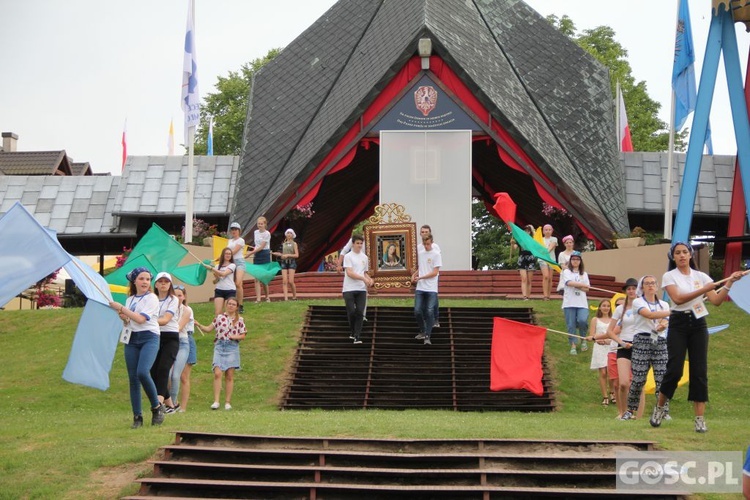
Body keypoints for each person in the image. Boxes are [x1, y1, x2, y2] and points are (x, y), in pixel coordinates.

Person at [650, 242, 744, 432]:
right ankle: (660, 408)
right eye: (678, 253)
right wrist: (704, 289)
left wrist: (729, 283)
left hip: (698, 323)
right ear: (673, 257)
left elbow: (716, 301)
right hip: (678, 323)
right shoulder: (669, 276)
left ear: (690, 255)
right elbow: (678, 299)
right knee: (674, 370)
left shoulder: (701, 276)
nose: (682, 255)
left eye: (685, 252)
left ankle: (699, 419)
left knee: (699, 372)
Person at [108, 267, 165, 428]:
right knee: (133, 378)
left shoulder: (152, 298)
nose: (145, 282)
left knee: (142, 372)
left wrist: (121, 308)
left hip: (149, 337)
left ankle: (156, 407)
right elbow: (131, 321)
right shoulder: (130, 299)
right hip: (132, 338)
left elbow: (141, 319)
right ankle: (137, 417)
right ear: (134, 281)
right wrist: (124, 318)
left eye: (147, 279)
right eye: (141, 279)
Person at [623, 275, 671, 423]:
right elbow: (649, 314)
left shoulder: (664, 304)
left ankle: (663, 410)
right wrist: (673, 312)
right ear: (642, 287)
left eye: (653, 283)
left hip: (660, 341)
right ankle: (630, 410)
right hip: (642, 340)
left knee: (662, 378)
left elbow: (665, 320)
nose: (650, 286)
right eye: (647, 283)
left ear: (657, 286)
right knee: (638, 379)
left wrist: (663, 324)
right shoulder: (638, 302)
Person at [195, 297, 246, 410]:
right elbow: (209, 329)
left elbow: (243, 335)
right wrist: (199, 325)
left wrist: (234, 336)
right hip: (219, 346)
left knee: (229, 375)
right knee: (217, 373)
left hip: (232, 347)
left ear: (237, 307)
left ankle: (227, 402)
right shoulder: (219, 318)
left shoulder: (240, 320)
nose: (231, 306)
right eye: (229, 304)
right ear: (225, 305)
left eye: (233, 304)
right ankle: (216, 401)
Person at [605, 278, 645, 420]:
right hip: (624, 346)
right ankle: (623, 413)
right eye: (629, 289)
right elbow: (610, 331)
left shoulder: (643, 306)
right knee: (623, 383)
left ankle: (639, 418)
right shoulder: (620, 309)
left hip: (640, 345)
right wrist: (621, 342)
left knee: (639, 383)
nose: (631, 291)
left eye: (634, 288)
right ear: (625, 291)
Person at [151, 272, 181, 413]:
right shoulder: (151, 299)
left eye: (166, 281)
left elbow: (166, 319)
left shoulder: (173, 299)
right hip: (155, 335)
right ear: (156, 284)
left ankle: (158, 404)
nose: (163, 284)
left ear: (170, 285)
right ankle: (171, 405)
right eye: (160, 281)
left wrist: (145, 320)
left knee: (164, 368)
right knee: (153, 371)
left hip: (170, 337)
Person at [341, 234, 373, 344]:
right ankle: (352, 331)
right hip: (349, 288)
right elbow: (349, 273)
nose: (359, 245)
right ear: (353, 244)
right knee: (351, 312)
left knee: (360, 311)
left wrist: (369, 279)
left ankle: (357, 336)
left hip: (361, 289)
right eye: (357, 243)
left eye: (361, 243)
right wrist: (363, 278)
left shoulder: (364, 257)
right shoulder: (348, 256)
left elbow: (364, 272)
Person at [412, 234, 442, 345]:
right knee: (417, 310)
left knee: (429, 311)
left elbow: (435, 272)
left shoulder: (436, 254)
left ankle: (428, 336)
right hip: (420, 287)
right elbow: (421, 267)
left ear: (432, 242)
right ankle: (423, 330)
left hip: (431, 288)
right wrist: (415, 275)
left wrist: (421, 277)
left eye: (428, 244)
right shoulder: (421, 253)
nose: (426, 246)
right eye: (424, 244)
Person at [168, 285, 194, 413]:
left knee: (176, 375)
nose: (177, 298)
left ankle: (173, 405)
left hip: (182, 342)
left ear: (183, 297)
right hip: (168, 342)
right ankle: (167, 403)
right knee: (165, 374)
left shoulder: (186, 310)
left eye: (180, 295)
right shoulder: (166, 309)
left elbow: (177, 327)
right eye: (175, 295)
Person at [561, 251, 589, 355]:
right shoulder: (567, 272)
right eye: (573, 259)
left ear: (580, 261)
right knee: (571, 324)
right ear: (570, 261)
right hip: (569, 303)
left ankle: (583, 339)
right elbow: (568, 283)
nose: (575, 261)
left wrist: (577, 286)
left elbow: (587, 289)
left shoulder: (584, 274)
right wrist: (581, 285)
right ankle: (573, 344)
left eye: (577, 259)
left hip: (582, 303)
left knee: (582, 321)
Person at [587, 299, 614, 406]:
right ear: (600, 307)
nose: (606, 308)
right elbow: (592, 335)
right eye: (604, 305)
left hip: (610, 348)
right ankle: (605, 396)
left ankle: (613, 392)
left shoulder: (613, 320)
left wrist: (608, 341)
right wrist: (597, 340)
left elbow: (615, 336)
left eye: (608, 306)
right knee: (603, 373)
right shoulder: (595, 319)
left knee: (611, 373)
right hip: (599, 348)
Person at [418, 225, 441, 327]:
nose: (424, 233)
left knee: (433, 297)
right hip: (421, 274)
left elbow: (435, 262)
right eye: (422, 232)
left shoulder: (435, 247)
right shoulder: (419, 247)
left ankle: (435, 318)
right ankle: (425, 318)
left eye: (426, 232)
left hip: (432, 275)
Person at [246, 216, 272, 302]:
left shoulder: (267, 233)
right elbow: (256, 245)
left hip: (264, 254)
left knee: (264, 277)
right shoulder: (255, 232)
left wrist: (250, 253)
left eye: (261, 224)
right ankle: (258, 298)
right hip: (257, 254)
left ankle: (267, 296)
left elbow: (262, 246)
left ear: (265, 224)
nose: (260, 225)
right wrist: (253, 251)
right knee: (256, 278)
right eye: (258, 224)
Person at [205, 247, 236, 317]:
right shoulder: (217, 266)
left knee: (228, 312)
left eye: (229, 254)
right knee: (218, 313)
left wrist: (211, 268)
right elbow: (216, 280)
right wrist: (215, 275)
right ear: (223, 255)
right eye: (226, 254)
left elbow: (224, 274)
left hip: (230, 290)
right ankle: (218, 326)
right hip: (219, 289)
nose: (228, 255)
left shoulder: (232, 265)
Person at [272, 228, 299, 301]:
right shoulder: (283, 244)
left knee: (290, 281)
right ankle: (286, 298)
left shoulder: (294, 244)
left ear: (293, 235)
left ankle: (294, 296)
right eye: (288, 233)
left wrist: (288, 255)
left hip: (291, 262)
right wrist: (274, 253)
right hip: (284, 262)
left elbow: (296, 255)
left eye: (290, 233)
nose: (289, 234)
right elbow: (281, 254)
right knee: (284, 281)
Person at [227, 222, 246, 313]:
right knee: (233, 284)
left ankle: (240, 305)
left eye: (235, 230)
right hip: (231, 262)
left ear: (239, 231)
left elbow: (234, 251)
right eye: (232, 230)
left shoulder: (241, 240)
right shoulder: (229, 241)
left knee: (238, 283)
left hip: (239, 262)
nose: (234, 231)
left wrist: (225, 255)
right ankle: (234, 304)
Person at [514, 224, 536, 300]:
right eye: (525, 230)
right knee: (524, 278)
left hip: (531, 258)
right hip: (522, 258)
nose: (527, 232)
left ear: (530, 232)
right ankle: (524, 296)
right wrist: (513, 243)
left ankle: (528, 296)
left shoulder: (533, 239)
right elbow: (515, 247)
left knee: (529, 280)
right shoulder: (520, 239)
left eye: (528, 230)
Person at [539, 224, 558, 301]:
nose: (548, 231)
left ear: (552, 231)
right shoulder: (540, 239)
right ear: (543, 231)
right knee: (546, 276)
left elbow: (551, 247)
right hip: (542, 259)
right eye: (546, 230)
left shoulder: (554, 239)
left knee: (550, 278)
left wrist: (545, 250)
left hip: (551, 259)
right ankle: (545, 295)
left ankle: (548, 295)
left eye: (549, 230)